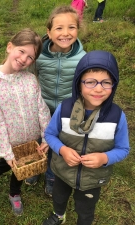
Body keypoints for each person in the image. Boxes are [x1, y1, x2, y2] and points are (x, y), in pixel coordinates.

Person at [42, 50, 130, 225]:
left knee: (86, 207)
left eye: (106, 82)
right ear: (78, 84)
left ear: (114, 84)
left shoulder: (116, 116)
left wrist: (105, 158)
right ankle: (59, 215)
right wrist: (62, 149)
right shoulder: (64, 108)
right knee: (59, 197)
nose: (98, 88)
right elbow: (49, 134)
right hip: (62, 170)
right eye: (90, 82)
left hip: (92, 178)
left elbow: (123, 149)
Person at [0, 28, 51, 216]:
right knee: (7, 163)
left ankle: (14, 192)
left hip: (31, 139)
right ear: (10, 46)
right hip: (11, 140)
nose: (24, 59)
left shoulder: (30, 79)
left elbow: (41, 108)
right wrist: (6, 150)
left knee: (23, 168)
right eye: (21, 51)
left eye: (30, 57)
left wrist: (46, 136)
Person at [25, 5, 86, 197]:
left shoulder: (82, 59)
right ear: (49, 32)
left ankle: (52, 176)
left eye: (71, 27)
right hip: (41, 107)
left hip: (65, 111)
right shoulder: (38, 55)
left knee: (58, 143)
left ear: (78, 29)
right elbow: (27, 78)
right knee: (36, 139)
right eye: (59, 28)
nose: (65, 33)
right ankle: (34, 168)